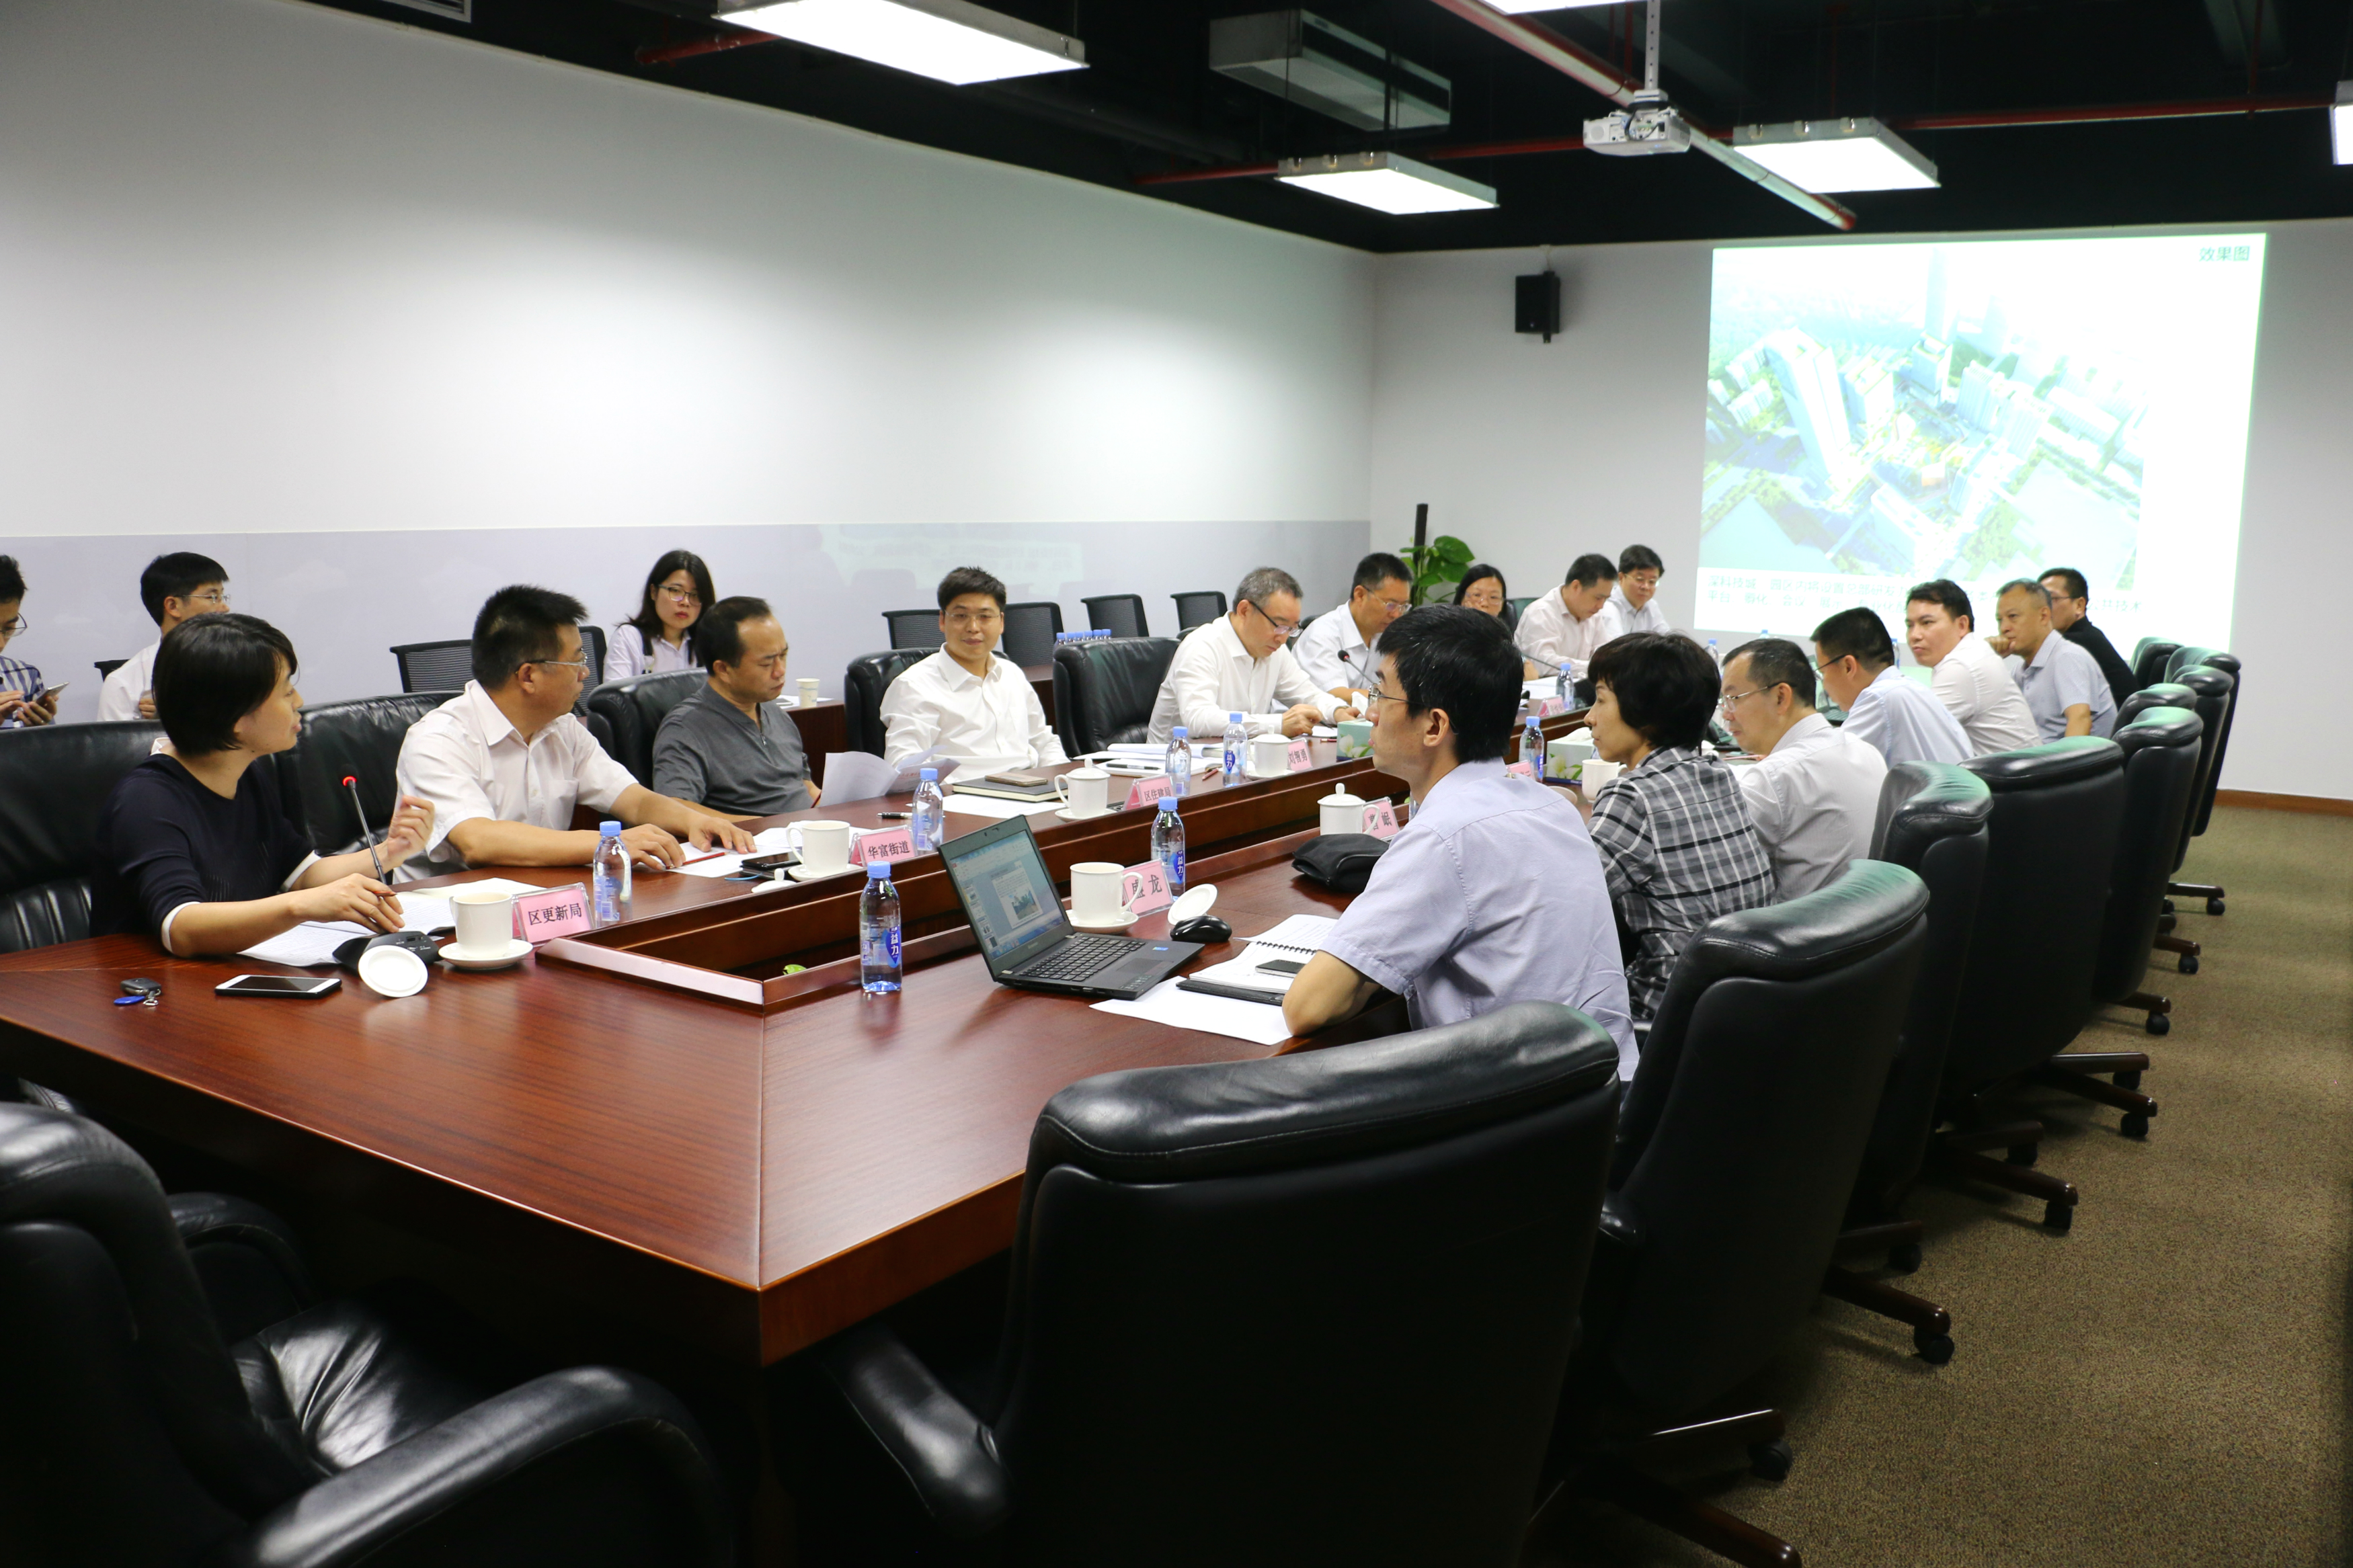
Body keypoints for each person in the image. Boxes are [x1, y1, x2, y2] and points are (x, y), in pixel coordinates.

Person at [1280, 606, 1634, 1073]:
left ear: (1434, 725)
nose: (1369, 711)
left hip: (1515, 1105)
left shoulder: (1443, 838)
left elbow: (1307, 1008)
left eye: (1381, 693)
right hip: (1602, 1092)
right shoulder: (1556, 807)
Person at [89, 614, 437, 956]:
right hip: (148, 985)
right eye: (286, 692)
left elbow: (303, 874)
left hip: (229, 973)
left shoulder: (246, 774)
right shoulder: (147, 800)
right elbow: (180, 927)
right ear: (236, 718)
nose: (299, 702)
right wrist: (302, 905)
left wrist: (391, 851)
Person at [395, 585, 753, 880]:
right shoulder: (438, 740)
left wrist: (698, 821)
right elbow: (478, 841)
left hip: (541, 896)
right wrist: (610, 843)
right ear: (528, 676)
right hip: (446, 918)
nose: (585, 673)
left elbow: (634, 800)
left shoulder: (563, 727)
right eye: (576, 661)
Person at [1584, 632, 1775, 1019]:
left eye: (1601, 700)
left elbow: (1565, 905)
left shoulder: (1633, 796)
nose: (1589, 717)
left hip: (1660, 1017)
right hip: (1740, 1008)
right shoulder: (1717, 773)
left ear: (1644, 711)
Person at [1718, 638, 1887, 899]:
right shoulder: (1867, 751)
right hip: (1872, 916)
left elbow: (1715, 873)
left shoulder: (1775, 779)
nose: (1726, 714)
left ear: (1780, 697)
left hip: (1804, 924)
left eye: (1733, 699)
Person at [881, 567, 1068, 774]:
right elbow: (906, 767)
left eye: (985, 617)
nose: (973, 627)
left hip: (1032, 785)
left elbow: (1043, 741)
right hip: (963, 791)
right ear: (942, 620)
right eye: (961, 616)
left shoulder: (1011, 673)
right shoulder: (914, 686)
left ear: (1001, 622)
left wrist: (1066, 781)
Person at [651, 595, 820, 820]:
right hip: (756, 839)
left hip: (805, 833)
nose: (780, 671)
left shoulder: (775, 712)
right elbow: (675, 807)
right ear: (723, 669)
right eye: (766, 663)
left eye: (783, 655)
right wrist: (761, 827)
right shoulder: (685, 729)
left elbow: (805, 786)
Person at [1149, 567, 1357, 743]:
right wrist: (1278, 724)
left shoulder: (1274, 649)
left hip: (1237, 761)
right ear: (1245, 610)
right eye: (1279, 625)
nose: (1283, 638)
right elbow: (1198, 719)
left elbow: (1307, 694)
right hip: (1173, 767)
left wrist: (1337, 711)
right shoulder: (1202, 645)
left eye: (1291, 629)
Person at [1810, 608, 1970, 766]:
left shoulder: (1878, 699)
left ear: (1848, 667)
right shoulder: (1915, 689)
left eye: (1823, 673)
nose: (1824, 684)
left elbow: (1830, 767)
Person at [1905, 579, 2038, 756]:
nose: (1914, 635)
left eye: (1927, 623)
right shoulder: (1972, 653)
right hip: (2012, 768)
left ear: (1962, 625)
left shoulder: (1961, 666)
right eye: (1910, 626)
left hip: (2012, 773)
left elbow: (1913, 738)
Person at [98, 552, 229, 722]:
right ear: (173, 606)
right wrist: (161, 722)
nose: (225, 608)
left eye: (222, 596)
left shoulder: (244, 664)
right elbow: (115, 740)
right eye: (212, 597)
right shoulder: (124, 684)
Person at [1993, 579, 2116, 741]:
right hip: (2039, 752)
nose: (2004, 628)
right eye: (2000, 620)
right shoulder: (2022, 669)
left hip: (2070, 756)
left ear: (2044, 616)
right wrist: (1989, 658)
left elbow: (2080, 721)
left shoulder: (2067, 657)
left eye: (2013, 616)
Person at [1293, 551, 1411, 698]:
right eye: (1390, 605)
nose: (1396, 615)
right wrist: (1393, 700)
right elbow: (1336, 695)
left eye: (1403, 607)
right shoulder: (1322, 634)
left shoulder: (1386, 635)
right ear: (1360, 595)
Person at [606, 550, 714, 682]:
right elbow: (614, 694)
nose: (685, 602)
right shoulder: (630, 637)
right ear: (654, 592)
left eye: (696, 595)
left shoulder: (708, 643)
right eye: (676, 591)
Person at [2038, 567, 2137, 707]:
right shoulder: (2086, 634)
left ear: (2079, 605)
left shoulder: (2075, 643)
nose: (2043, 610)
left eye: (2052, 599)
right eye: (2038, 602)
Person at [1513, 554, 1618, 677]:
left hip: (1578, 686)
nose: (1601, 606)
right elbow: (1543, 665)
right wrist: (1593, 667)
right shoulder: (1541, 613)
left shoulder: (1593, 615)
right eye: (1598, 598)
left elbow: (1604, 655)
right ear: (1576, 587)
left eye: (1606, 599)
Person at [0, 555, 58, 729]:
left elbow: (48, 746)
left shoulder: (25, 676)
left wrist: (39, 733)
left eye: (9, 628)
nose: (1, 644)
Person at [1455, 564, 1544, 678]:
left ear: (1502, 604)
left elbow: (1529, 672)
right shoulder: (1448, 634)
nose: (1484, 603)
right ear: (1462, 599)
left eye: (1493, 597)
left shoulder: (1502, 637)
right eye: (1477, 595)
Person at [1599, 544, 1674, 641]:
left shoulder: (1651, 606)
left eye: (1652, 582)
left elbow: (1667, 640)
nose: (1646, 587)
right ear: (1621, 578)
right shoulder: (1608, 606)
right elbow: (1618, 647)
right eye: (1640, 579)